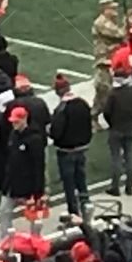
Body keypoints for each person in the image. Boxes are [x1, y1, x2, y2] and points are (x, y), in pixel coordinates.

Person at [0, 106, 46, 236]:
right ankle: (6, 240)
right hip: (12, 184)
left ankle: (35, 240)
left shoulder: (35, 139)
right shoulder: (13, 135)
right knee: (4, 210)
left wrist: (38, 192)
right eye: (13, 121)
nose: (14, 124)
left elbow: (39, 166)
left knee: (34, 216)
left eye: (17, 121)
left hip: (27, 186)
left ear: (25, 119)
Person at [49, 72, 92, 215]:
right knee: (81, 180)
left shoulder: (61, 109)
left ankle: (74, 213)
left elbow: (56, 132)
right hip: (82, 147)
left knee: (69, 184)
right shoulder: (83, 103)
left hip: (66, 151)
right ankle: (87, 207)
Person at [103, 66, 132, 197]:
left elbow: (107, 112)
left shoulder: (113, 94)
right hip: (130, 127)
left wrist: (112, 123)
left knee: (116, 158)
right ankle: (129, 186)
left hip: (116, 128)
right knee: (129, 156)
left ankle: (115, 186)